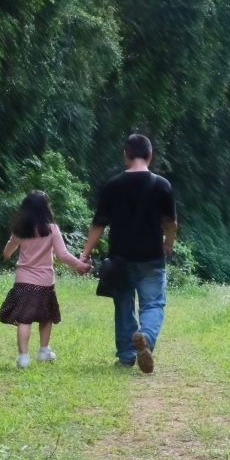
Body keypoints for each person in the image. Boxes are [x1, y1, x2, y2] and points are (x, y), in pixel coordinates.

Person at [80, 134, 176, 373]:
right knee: (153, 304)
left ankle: (126, 355)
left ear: (126, 155)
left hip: (120, 258)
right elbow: (171, 222)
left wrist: (85, 253)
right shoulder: (162, 185)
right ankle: (146, 337)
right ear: (150, 155)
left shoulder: (113, 185)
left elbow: (99, 223)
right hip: (152, 257)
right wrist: (168, 243)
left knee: (123, 304)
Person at [0, 191, 92, 368]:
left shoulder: (20, 229)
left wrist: (6, 254)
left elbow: (9, 249)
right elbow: (63, 255)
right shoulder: (51, 229)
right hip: (44, 280)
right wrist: (80, 265)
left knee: (24, 319)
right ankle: (43, 350)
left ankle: (23, 357)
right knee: (46, 316)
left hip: (23, 279)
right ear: (45, 208)